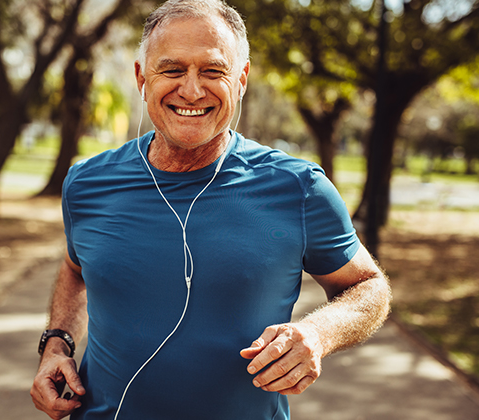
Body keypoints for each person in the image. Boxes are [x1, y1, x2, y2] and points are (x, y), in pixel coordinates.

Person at [31, 0, 391, 419]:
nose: (192, 89)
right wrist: (57, 344)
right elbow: (76, 269)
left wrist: (317, 333)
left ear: (240, 80)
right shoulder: (87, 183)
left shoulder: (299, 187)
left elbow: (369, 287)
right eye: (172, 69)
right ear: (141, 77)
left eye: (213, 71)